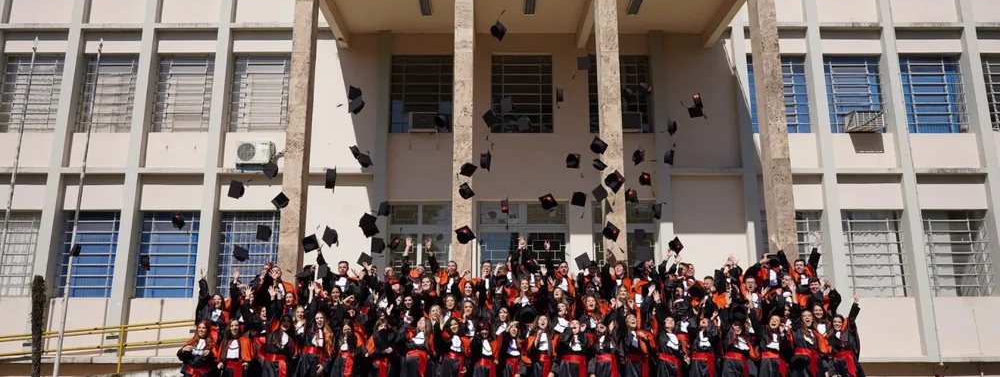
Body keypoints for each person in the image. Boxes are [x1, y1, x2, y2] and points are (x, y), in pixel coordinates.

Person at [175, 236, 863, 377]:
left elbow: (637, 327)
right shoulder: (382, 321)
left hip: (591, 363)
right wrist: (231, 298)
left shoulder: (697, 312)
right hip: (467, 365)